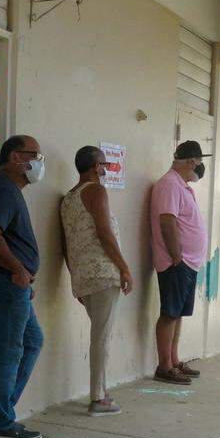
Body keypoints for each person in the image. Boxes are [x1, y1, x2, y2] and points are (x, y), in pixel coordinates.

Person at [0, 135, 46, 438]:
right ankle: (1, 421)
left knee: (32, 340)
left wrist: (24, 275)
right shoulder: (3, 191)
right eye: (35, 156)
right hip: (3, 282)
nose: (40, 163)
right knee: (8, 349)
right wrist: (17, 270)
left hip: (14, 283)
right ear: (16, 158)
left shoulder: (11, 191)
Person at [61, 146, 133, 416]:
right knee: (102, 336)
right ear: (95, 167)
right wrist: (125, 268)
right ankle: (98, 397)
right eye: (105, 165)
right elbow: (104, 233)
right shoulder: (96, 191)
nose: (107, 170)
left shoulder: (68, 199)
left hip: (84, 276)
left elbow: (66, 244)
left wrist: (74, 278)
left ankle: (99, 391)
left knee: (99, 334)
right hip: (103, 273)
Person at [149, 141, 209, 384]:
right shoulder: (169, 184)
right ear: (192, 161)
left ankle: (174, 360)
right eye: (199, 161)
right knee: (169, 313)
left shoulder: (181, 185)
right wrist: (176, 256)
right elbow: (167, 222)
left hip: (188, 263)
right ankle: (164, 366)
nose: (200, 166)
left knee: (178, 314)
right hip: (176, 263)